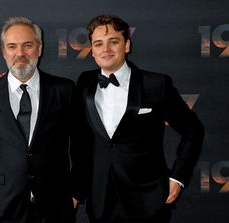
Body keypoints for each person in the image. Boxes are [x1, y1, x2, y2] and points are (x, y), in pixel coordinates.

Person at [71, 15, 204, 223]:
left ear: (127, 45)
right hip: (100, 200)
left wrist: (178, 177)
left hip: (148, 200)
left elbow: (193, 130)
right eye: (98, 44)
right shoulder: (84, 83)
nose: (105, 49)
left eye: (113, 41)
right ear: (93, 51)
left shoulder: (156, 85)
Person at [0, 16, 77, 223]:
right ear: (4, 52)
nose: (20, 53)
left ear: (39, 49)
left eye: (27, 45)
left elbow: (82, 145)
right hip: (4, 205)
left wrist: (75, 195)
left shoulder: (64, 90)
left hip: (57, 205)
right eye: (12, 46)